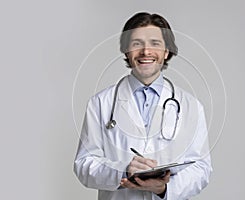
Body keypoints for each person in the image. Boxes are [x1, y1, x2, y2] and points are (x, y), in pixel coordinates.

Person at [73, 12, 212, 200]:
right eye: (137, 44)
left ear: (166, 51)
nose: (146, 52)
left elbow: (201, 169)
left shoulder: (190, 106)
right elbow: (84, 164)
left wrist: (162, 189)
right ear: (126, 51)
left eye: (155, 43)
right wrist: (123, 171)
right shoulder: (100, 103)